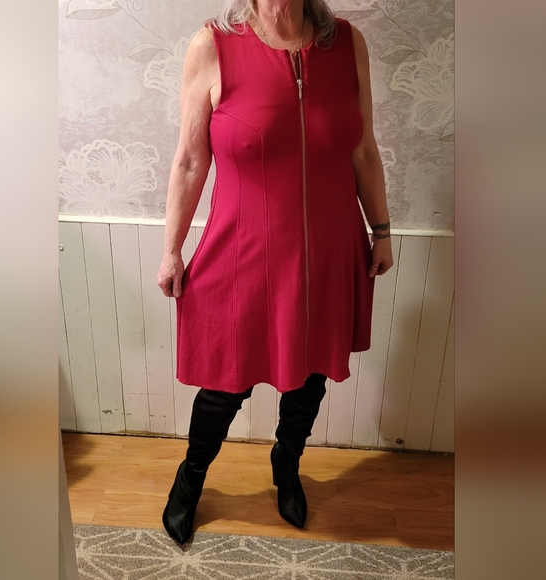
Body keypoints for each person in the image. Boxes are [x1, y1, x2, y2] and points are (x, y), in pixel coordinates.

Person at [157, 0, 394, 546]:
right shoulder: (213, 46)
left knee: (310, 376)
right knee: (224, 383)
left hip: (328, 251)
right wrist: (171, 249)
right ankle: (191, 477)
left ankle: (287, 463)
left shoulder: (346, 44)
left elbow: (362, 149)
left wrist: (380, 230)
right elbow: (190, 159)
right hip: (242, 253)